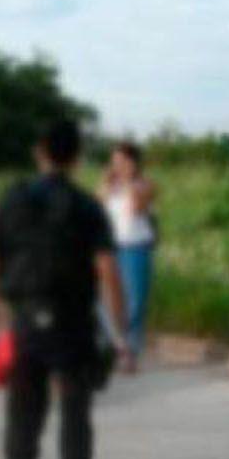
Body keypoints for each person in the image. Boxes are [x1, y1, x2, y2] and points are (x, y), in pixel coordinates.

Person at [0, 120, 129, 459]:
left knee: (23, 411)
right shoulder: (85, 206)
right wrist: (121, 334)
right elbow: (108, 270)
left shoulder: (11, 202)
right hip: (73, 321)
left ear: (39, 152)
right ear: (77, 157)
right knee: (76, 415)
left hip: (26, 320)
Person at [99, 142, 158, 372]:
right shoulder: (109, 186)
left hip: (136, 247)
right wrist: (107, 183)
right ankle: (114, 346)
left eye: (122, 161)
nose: (117, 165)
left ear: (133, 162)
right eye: (114, 161)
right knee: (108, 301)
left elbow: (136, 207)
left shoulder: (145, 184)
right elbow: (98, 206)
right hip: (112, 247)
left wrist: (127, 180)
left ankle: (131, 351)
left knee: (135, 301)